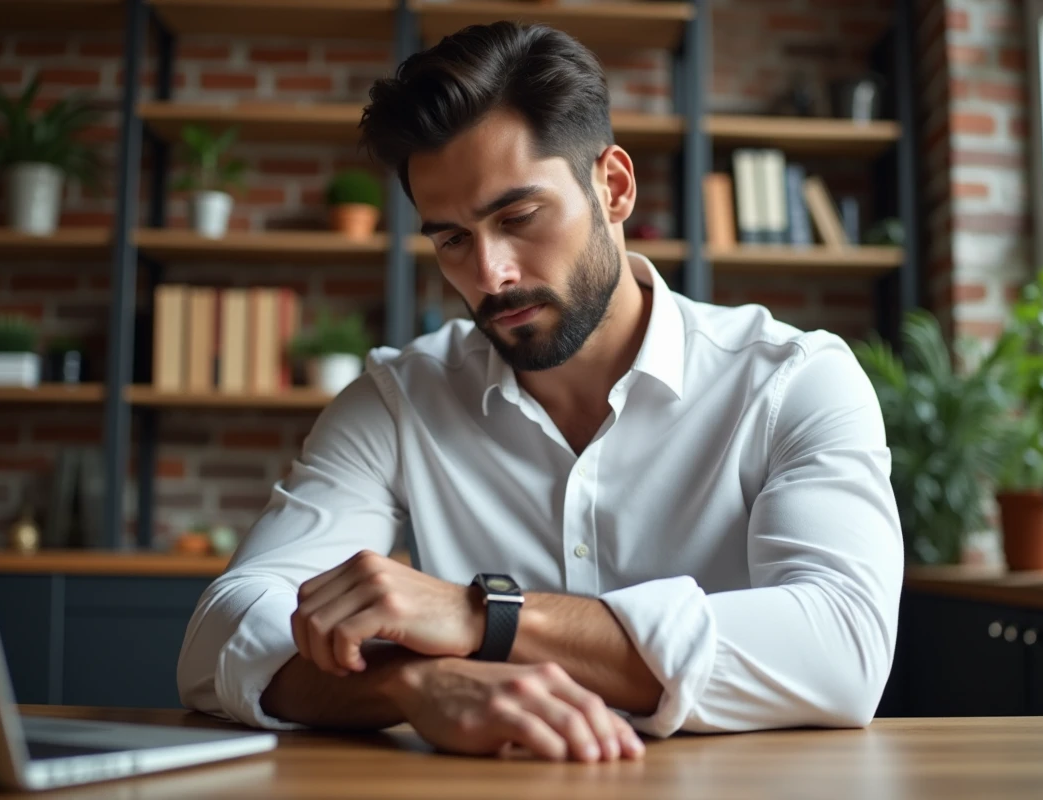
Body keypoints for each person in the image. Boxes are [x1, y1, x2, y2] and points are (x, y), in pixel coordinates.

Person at [177, 21, 904, 763]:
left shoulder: (793, 381)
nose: (490, 273)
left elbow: (842, 648)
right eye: (452, 239)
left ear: (613, 187)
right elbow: (218, 639)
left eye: (518, 217)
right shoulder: (398, 400)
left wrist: (483, 620)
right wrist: (414, 683)